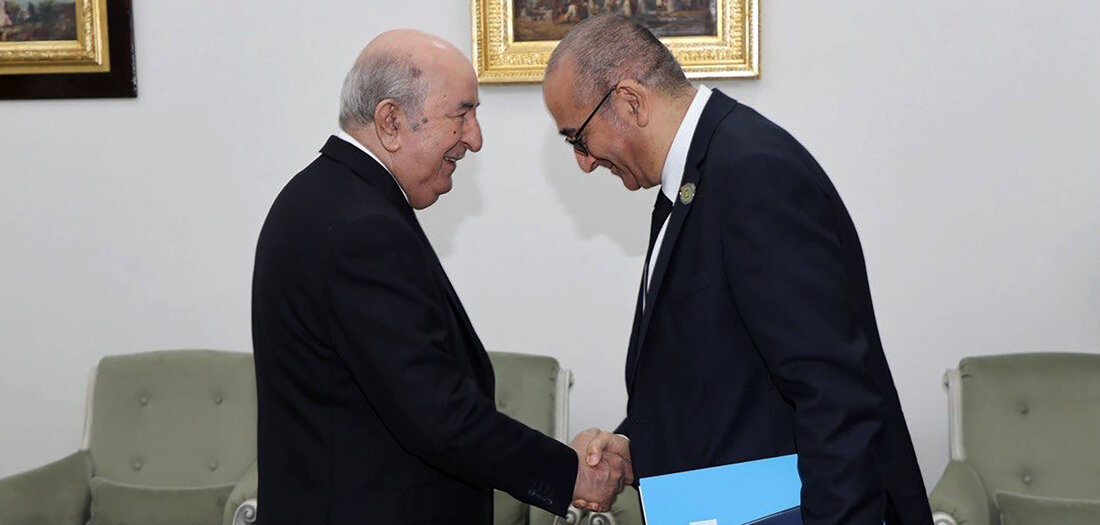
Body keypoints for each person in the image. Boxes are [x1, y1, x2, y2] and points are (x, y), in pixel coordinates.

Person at [544, 15, 933, 524]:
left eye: (578, 138)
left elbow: (832, 391)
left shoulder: (753, 173)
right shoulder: (697, 177)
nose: (584, 161)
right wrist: (636, 446)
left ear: (630, 101)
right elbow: (724, 370)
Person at [252, 29, 629, 523]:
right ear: (391, 121)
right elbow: (438, 415)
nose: (475, 138)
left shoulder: (327, 197)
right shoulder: (360, 228)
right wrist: (569, 473)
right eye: (462, 114)